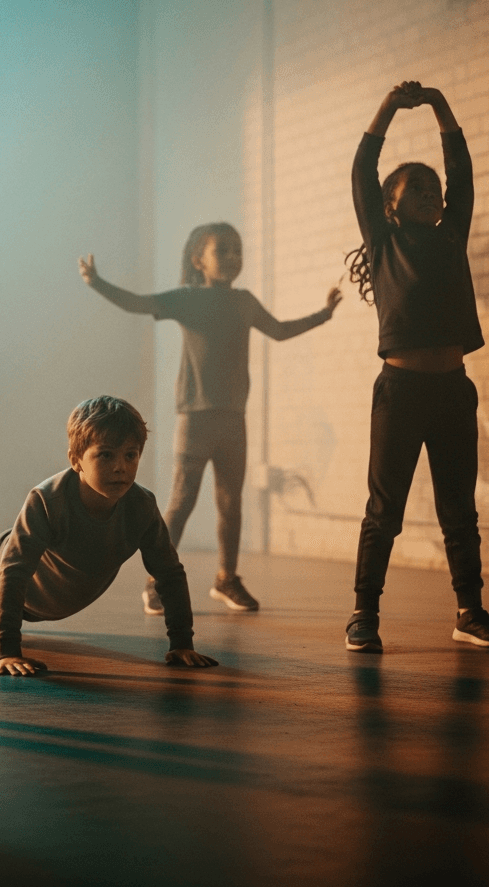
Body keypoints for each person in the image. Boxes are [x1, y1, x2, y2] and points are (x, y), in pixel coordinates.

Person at [79, 227, 340, 615]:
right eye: (223, 250)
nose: (234, 257)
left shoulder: (244, 302)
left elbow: (281, 331)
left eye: (238, 250)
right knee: (182, 501)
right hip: (194, 418)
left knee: (231, 503)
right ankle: (156, 582)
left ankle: (226, 579)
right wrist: (97, 282)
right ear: (199, 259)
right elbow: (137, 303)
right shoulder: (188, 300)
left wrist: (325, 313)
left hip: (234, 418)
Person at [343, 80, 489, 653]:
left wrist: (443, 105)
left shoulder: (453, 234)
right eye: (415, 187)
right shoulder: (384, 241)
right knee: (384, 509)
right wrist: (389, 104)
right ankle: (364, 615)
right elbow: (363, 167)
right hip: (401, 389)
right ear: (389, 205)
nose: (431, 192)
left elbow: (461, 170)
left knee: (459, 510)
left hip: (452, 389)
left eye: (433, 188)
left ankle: (469, 611)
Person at [0, 396, 218, 675]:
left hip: (40, 598)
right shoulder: (48, 502)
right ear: (76, 460)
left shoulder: (141, 507)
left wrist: (181, 643)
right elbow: (15, 571)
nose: (121, 467)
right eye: (105, 455)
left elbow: (169, 574)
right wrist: (8, 650)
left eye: (130, 455)